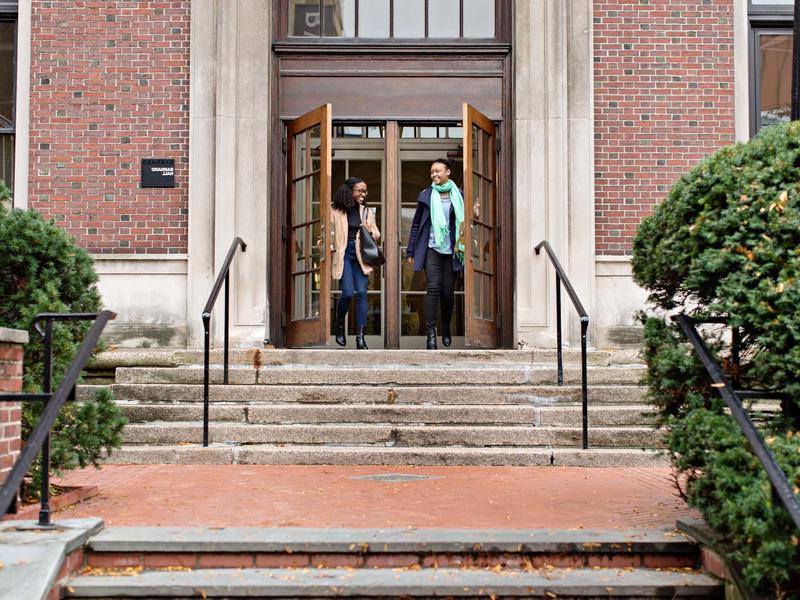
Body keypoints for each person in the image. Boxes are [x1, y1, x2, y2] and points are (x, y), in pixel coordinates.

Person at [406, 158, 465, 350]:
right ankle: (431, 333)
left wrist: (475, 214)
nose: (434, 175)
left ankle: (446, 325)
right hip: (432, 248)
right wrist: (411, 250)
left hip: (453, 251)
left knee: (447, 293)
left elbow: (466, 221)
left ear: (448, 172)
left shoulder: (460, 195)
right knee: (433, 288)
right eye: (432, 172)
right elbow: (416, 225)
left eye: (438, 171)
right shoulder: (426, 195)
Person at [331, 177, 381, 349]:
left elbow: (376, 234)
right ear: (349, 191)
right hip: (344, 254)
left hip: (361, 256)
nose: (363, 194)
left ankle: (360, 337)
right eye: (360, 190)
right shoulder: (335, 210)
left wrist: (370, 230)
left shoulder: (366, 211)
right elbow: (326, 233)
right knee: (347, 293)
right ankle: (338, 324)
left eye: (365, 191)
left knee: (361, 293)